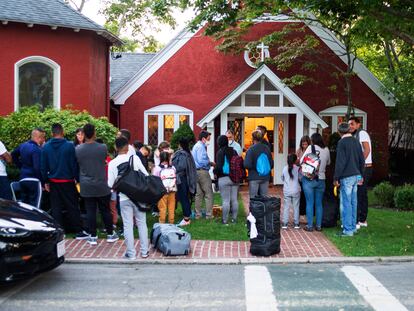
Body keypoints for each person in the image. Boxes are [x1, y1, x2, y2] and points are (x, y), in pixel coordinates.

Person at [40, 123, 87, 239]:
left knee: (56, 207)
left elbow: (43, 166)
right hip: (67, 181)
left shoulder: (46, 147)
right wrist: (77, 179)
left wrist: (45, 181)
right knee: (72, 206)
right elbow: (74, 164)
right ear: (63, 132)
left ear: (52, 133)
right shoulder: (69, 146)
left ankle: (59, 232)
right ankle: (79, 231)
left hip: (53, 181)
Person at [75, 123, 119, 245]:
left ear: (83, 134)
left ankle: (93, 236)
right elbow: (103, 160)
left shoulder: (78, 149)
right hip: (101, 183)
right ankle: (110, 234)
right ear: (94, 133)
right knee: (105, 210)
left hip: (86, 184)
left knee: (90, 211)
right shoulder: (102, 147)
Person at [107, 136, 149, 260]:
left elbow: (110, 184)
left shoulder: (112, 163)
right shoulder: (135, 158)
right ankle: (144, 251)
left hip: (124, 197)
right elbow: (146, 175)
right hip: (139, 196)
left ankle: (131, 253)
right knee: (142, 223)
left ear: (116, 147)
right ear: (127, 147)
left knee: (127, 225)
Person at [334, 123, 365, 237]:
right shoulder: (356, 141)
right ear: (349, 130)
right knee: (353, 202)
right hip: (356, 175)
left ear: (339, 132)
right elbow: (362, 160)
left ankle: (348, 230)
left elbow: (340, 162)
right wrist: (361, 175)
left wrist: (336, 177)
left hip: (346, 176)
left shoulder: (341, 142)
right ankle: (352, 227)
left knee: (346, 203)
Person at [300, 133, 331, 232]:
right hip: (321, 179)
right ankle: (318, 226)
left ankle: (309, 226)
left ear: (312, 140)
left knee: (310, 202)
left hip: (309, 178)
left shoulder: (310, 148)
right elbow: (329, 162)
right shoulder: (326, 149)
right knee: (319, 203)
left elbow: (301, 161)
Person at [11, 128, 46, 206]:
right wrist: (43, 183)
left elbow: (13, 155)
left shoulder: (23, 146)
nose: (44, 140)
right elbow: (37, 168)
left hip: (23, 179)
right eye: (43, 137)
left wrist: (21, 167)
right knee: (35, 207)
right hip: (34, 181)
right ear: (39, 138)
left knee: (25, 206)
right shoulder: (37, 149)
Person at [348, 117, 372, 228]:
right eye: (349, 124)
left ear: (358, 124)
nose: (350, 126)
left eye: (352, 124)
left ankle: (357, 220)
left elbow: (367, 149)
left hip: (364, 168)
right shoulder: (354, 136)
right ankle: (362, 219)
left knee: (358, 193)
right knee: (362, 194)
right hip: (363, 167)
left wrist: (359, 164)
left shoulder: (362, 133)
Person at [214, 135, 239, 224]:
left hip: (224, 178)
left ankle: (225, 220)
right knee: (234, 200)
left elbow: (219, 167)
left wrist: (214, 171)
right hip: (234, 178)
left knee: (226, 200)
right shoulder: (234, 151)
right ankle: (234, 219)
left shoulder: (220, 152)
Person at [172, 137, 197, 226]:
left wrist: (173, 167)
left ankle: (186, 219)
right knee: (185, 197)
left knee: (183, 198)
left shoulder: (182, 154)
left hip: (182, 179)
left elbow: (181, 167)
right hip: (186, 178)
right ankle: (188, 214)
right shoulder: (188, 154)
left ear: (180, 144)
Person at [192, 130, 215, 219]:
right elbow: (202, 161)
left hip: (195, 172)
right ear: (203, 139)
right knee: (208, 194)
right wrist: (209, 163)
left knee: (198, 194)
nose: (208, 141)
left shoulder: (195, 146)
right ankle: (209, 215)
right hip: (203, 172)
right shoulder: (201, 147)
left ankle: (198, 215)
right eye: (208, 139)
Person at [244, 130, 273, 198]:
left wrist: (255, 167)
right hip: (265, 177)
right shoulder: (267, 148)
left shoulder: (251, 149)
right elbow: (271, 164)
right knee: (264, 198)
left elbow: (247, 164)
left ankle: (254, 209)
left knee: (253, 198)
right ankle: (263, 208)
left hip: (254, 177)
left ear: (253, 138)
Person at [153, 152, 177, 224]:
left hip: (162, 190)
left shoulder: (157, 168)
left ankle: (162, 223)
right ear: (168, 158)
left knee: (162, 207)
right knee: (171, 207)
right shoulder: (173, 167)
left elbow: (155, 179)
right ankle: (171, 222)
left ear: (160, 158)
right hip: (172, 189)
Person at [281, 154, 301, 229]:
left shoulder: (284, 168)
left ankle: (285, 223)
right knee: (296, 206)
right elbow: (300, 178)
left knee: (286, 206)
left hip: (287, 190)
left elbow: (282, 178)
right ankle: (296, 223)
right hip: (296, 190)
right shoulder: (298, 169)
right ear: (295, 160)